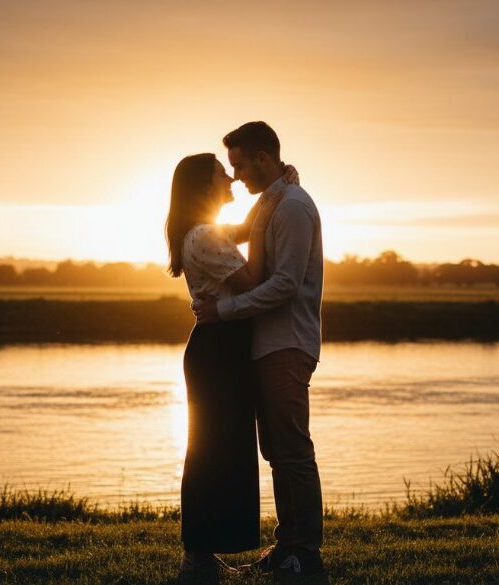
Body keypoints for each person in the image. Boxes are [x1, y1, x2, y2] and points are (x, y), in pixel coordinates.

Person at [193, 121, 325, 577]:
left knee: (292, 450)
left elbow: (286, 285)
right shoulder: (273, 200)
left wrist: (224, 312)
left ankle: (305, 554)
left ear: (264, 159)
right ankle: (286, 546)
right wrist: (192, 225)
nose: (236, 176)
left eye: (241, 164)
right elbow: (240, 231)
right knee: (276, 451)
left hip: (287, 342)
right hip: (267, 344)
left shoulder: (291, 207)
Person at [165, 152, 299, 580]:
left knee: (219, 450)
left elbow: (244, 232)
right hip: (219, 350)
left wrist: (275, 195)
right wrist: (278, 199)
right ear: (205, 186)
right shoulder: (205, 235)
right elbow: (254, 283)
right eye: (223, 174)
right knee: (213, 452)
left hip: (220, 348)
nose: (232, 179)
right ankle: (197, 557)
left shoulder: (207, 232)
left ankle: (202, 555)